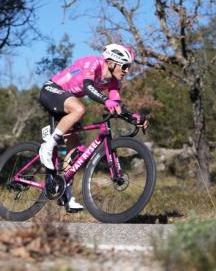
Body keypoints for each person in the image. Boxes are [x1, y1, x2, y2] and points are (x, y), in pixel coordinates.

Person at [38, 44, 149, 212]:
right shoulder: (93, 63)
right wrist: (106, 101)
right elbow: (88, 87)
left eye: (129, 67)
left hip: (67, 101)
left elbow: (117, 104)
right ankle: (48, 146)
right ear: (111, 63)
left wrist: (133, 117)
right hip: (52, 90)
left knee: (73, 151)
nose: (127, 70)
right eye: (125, 66)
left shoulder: (114, 82)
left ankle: (65, 195)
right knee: (80, 109)